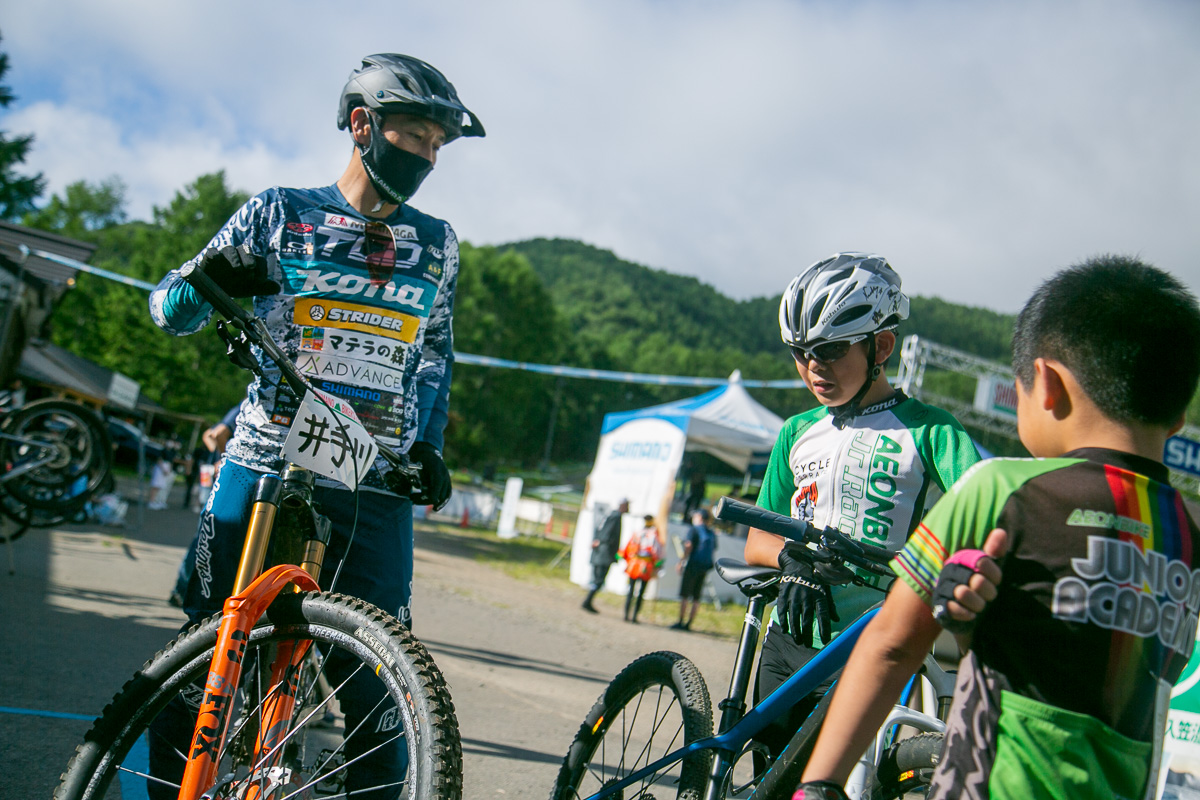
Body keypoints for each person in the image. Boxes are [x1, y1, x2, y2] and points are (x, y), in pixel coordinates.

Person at [146, 53, 483, 799]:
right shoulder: (280, 211)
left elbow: (433, 355)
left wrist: (428, 443)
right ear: (363, 126)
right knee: (200, 667)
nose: (428, 156)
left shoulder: (439, 243)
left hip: (374, 485)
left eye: (437, 146)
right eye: (417, 137)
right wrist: (210, 283)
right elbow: (166, 309)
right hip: (266, 467)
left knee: (382, 701)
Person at [795, 256, 1200, 800]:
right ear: (1177, 417)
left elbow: (891, 646)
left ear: (1048, 385)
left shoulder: (1000, 489)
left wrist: (819, 784)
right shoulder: (1185, 531)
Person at [743, 252, 982, 762]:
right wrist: (790, 558)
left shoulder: (931, 429)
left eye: (830, 350)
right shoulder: (796, 432)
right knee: (769, 777)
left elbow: (983, 515)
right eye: (800, 352)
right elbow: (755, 538)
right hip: (789, 640)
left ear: (883, 345)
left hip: (874, 643)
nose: (813, 367)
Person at [672, 508, 716, 630]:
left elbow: (689, 545)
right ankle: (689, 623)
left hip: (692, 565)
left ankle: (680, 621)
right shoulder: (711, 532)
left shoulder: (694, 530)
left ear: (700, 518)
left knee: (685, 594)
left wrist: (681, 561)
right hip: (704, 567)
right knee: (696, 597)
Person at [583, 498, 629, 612]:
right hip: (604, 553)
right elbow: (608, 534)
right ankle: (587, 601)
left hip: (600, 551)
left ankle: (588, 600)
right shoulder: (616, 517)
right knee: (599, 579)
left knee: (597, 579)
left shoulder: (609, 515)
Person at [621, 514, 662, 623]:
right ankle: (632, 615)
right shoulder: (654, 535)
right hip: (645, 565)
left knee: (632, 590)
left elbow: (628, 548)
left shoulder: (638, 533)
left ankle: (628, 614)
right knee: (639, 592)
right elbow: (657, 552)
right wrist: (658, 564)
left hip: (636, 564)